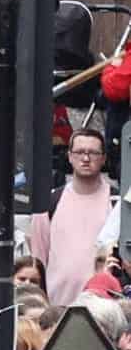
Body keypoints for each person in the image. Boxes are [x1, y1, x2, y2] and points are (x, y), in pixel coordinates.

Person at [30, 129, 117, 307]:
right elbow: (37, 262)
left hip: (105, 308)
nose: (86, 158)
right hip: (58, 308)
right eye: (79, 152)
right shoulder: (49, 203)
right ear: (69, 156)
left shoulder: (117, 203)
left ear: (103, 158)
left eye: (93, 153)